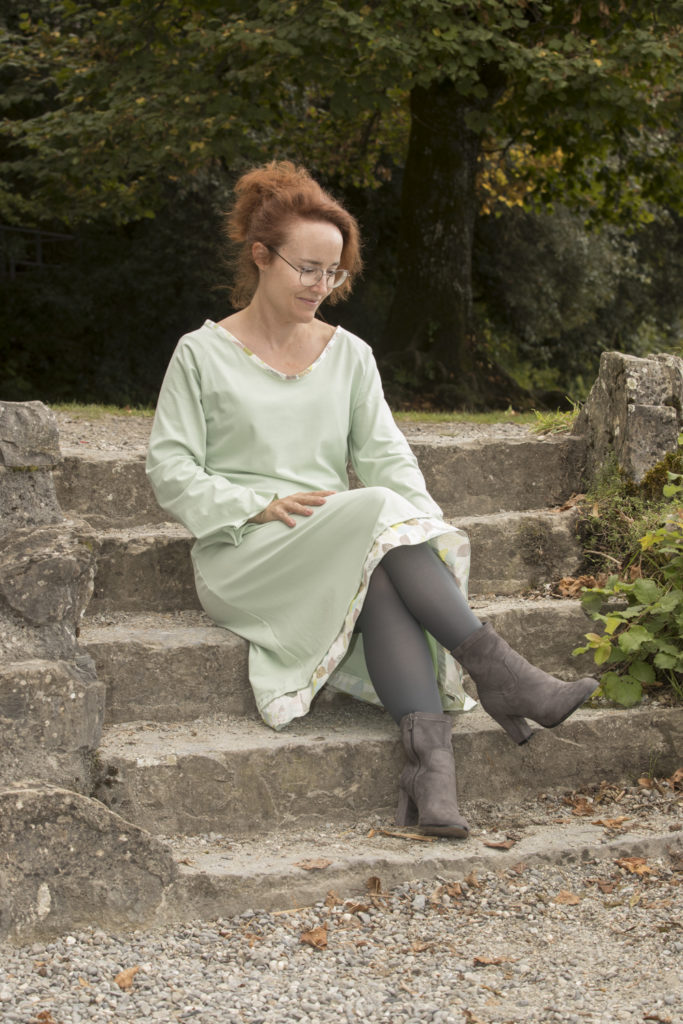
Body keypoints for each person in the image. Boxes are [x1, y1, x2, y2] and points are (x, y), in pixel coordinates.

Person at [146, 160, 596, 839]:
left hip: (335, 535)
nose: (321, 286)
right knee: (379, 516)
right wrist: (251, 506)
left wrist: (418, 534)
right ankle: (502, 675)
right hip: (245, 551)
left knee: (386, 565)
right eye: (308, 269)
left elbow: (387, 458)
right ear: (261, 256)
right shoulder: (201, 354)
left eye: (334, 273)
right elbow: (170, 466)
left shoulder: (350, 354)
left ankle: (430, 777)